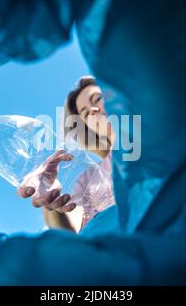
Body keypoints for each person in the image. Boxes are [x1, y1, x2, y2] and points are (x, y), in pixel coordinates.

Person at [18, 76, 115, 233]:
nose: (94, 110)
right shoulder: (89, 177)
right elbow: (73, 229)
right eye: (85, 113)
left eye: (97, 99)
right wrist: (50, 200)